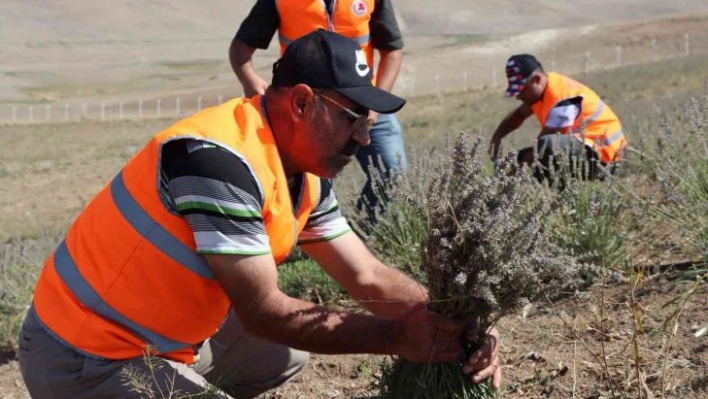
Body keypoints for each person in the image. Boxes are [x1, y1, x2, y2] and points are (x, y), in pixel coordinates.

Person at [18, 30, 501, 399]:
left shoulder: (304, 171)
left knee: (283, 356)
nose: (364, 139)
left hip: (167, 340)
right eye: (353, 119)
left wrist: (450, 324)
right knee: (277, 335)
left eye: (369, 122)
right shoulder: (216, 160)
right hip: (85, 354)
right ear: (302, 102)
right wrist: (399, 335)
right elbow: (264, 313)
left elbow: (368, 275)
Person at [229, 0, 408, 221]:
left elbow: (392, 50)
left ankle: (362, 232)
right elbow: (240, 48)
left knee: (392, 169)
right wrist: (251, 82)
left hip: (365, 104)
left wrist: (373, 112)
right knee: (312, 186)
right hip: (309, 112)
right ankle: (306, 236)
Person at [489, 54, 628, 185]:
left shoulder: (562, 96)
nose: (518, 97)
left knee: (545, 149)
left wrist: (513, 178)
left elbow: (541, 149)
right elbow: (519, 115)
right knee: (520, 158)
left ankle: (567, 200)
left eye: (521, 90)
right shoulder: (541, 93)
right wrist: (497, 138)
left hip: (608, 160)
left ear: (536, 79)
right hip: (586, 151)